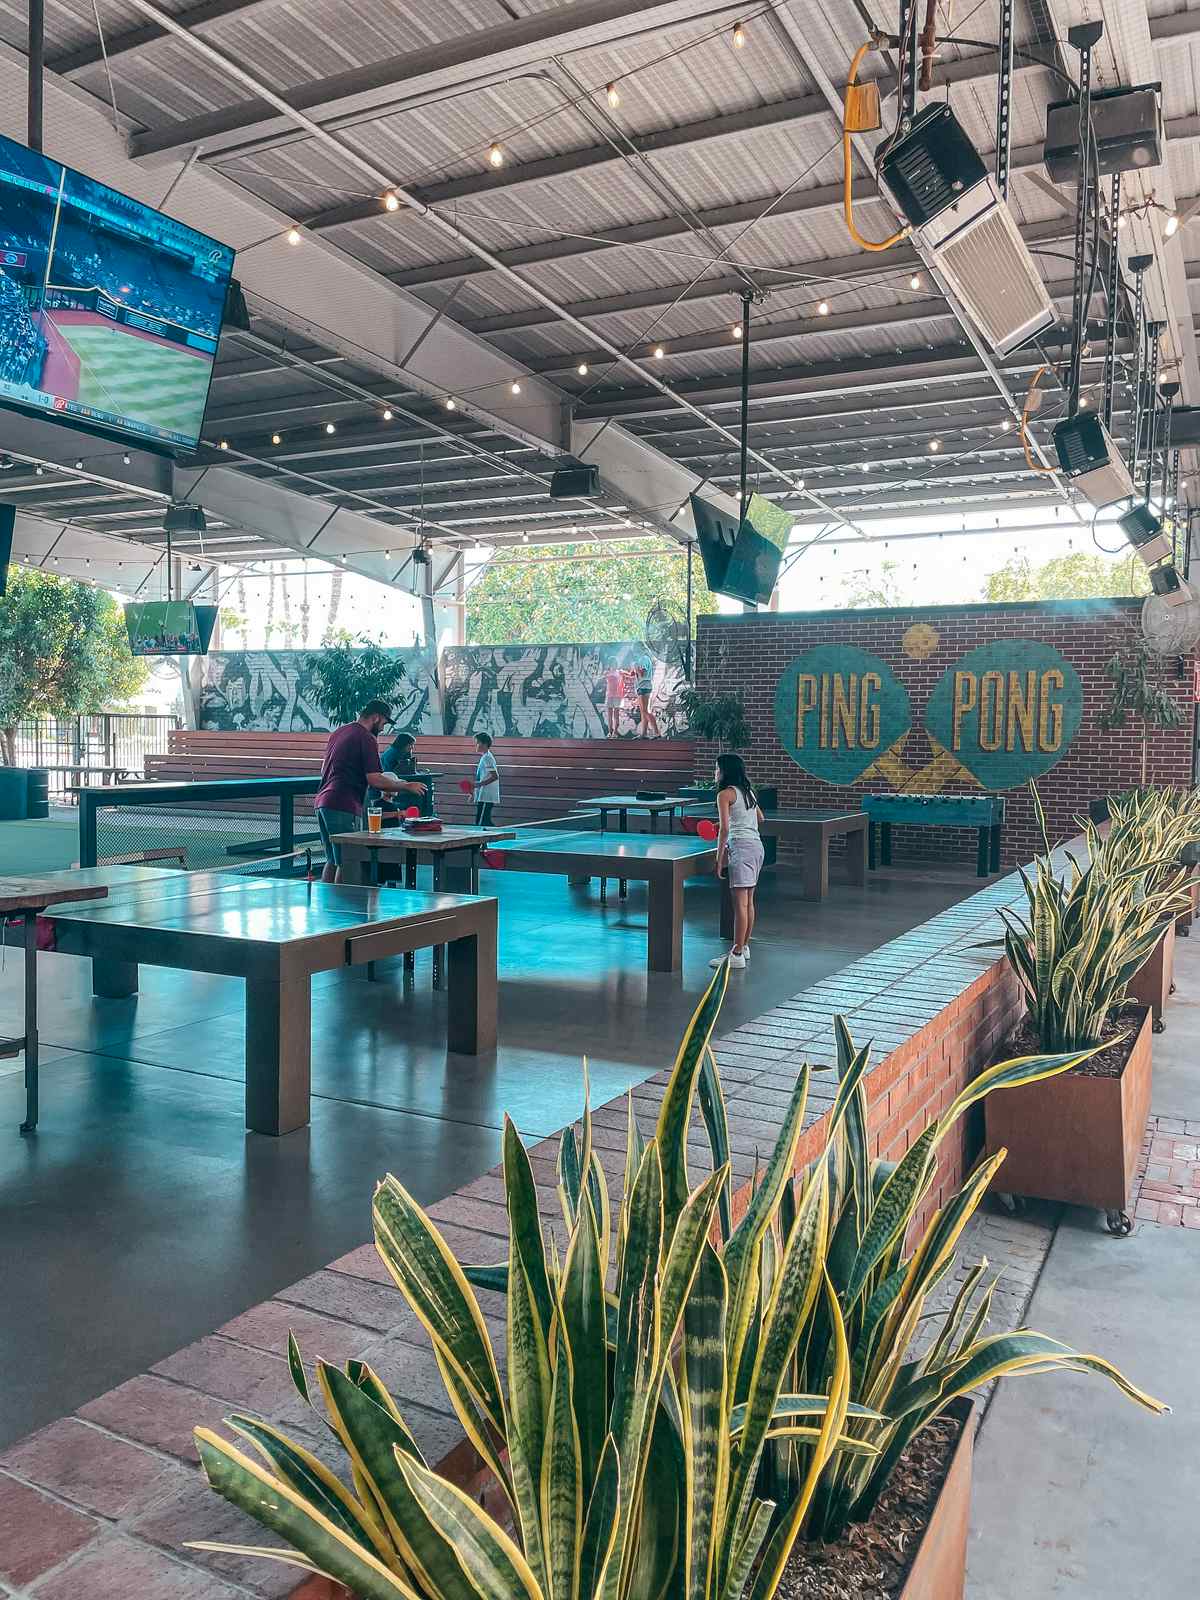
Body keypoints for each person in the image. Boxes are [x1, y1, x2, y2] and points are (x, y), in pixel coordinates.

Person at [314, 700, 426, 882]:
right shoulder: (366, 738)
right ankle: (345, 907)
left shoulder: (340, 732)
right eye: (383, 723)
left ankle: (327, 906)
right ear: (375, 717)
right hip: (343, 804)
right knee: (348, 862)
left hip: (323, 802)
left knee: (333, 860)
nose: (383, 728)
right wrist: (407, 786)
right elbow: (374, 779)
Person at [709, 752, 764, 972]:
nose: (715, 772)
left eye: (716, 768)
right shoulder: (748, 792)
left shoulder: (724, 794)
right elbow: (760, 818)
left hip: (740, 848)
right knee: (748, 902)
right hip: (757, 847)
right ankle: (743, 947)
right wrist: (730, 820)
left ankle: (737, 953)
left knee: (739, 904)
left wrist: (718, 857)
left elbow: (725, 830)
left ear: (724, 772)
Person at [473, 732, 500, 826]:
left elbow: (495, 776)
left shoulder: (487, 758)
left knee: (481, 822)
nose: (476, 745)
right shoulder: (485, 757)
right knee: (484, 821)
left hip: (487, 795)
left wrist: (479, 784)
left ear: (484, 744)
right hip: (484, 794)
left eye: (477, 743)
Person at [634, 660, 660, 739]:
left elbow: (642, 674)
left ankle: (656, 732)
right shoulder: (642, 659)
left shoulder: (643, 659)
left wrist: (636, 667)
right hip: (642, 687)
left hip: (643, 687)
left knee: (645, 711)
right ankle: (644, 733)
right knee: (643, 711)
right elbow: (637, 674)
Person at [602, 663, 627, 737]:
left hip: (617, 696)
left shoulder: (619, 672)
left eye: (614, 663)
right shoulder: (607, 673)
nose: (613, 665)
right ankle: (610, 732)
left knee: (616, 715)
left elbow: (628, 675)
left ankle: (615, 732)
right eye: (611, 663)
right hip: (610, 695)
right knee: (609, 715)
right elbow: (603, 677)